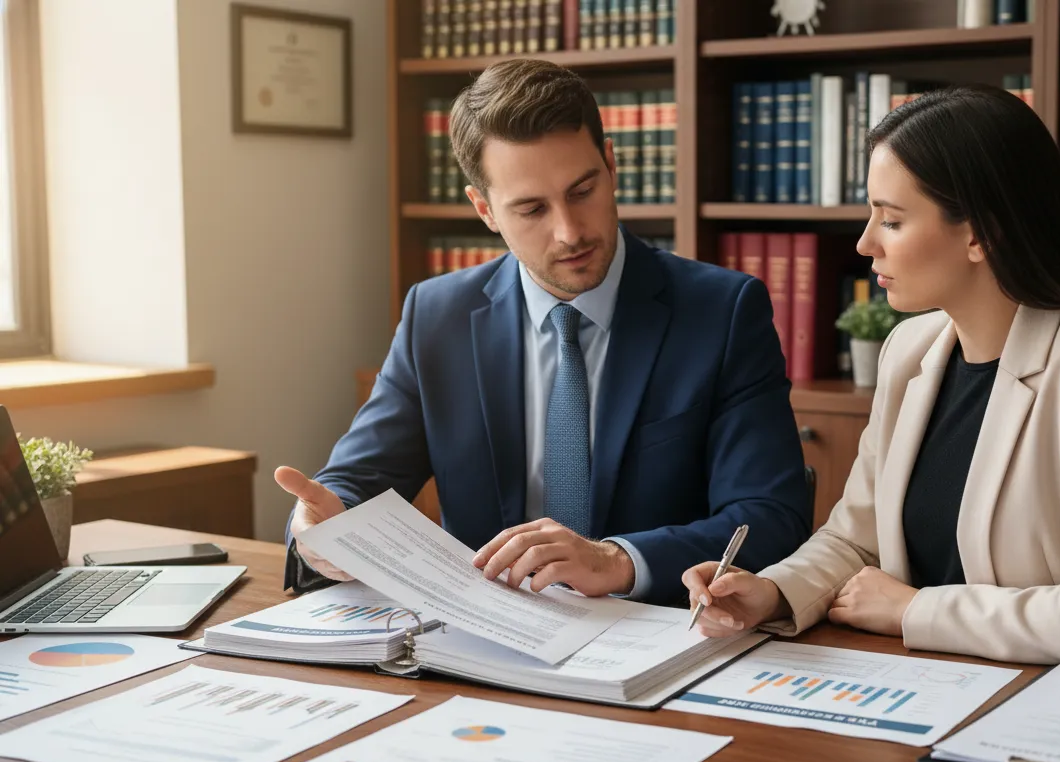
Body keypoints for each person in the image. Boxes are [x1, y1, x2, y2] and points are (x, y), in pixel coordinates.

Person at [683, 83, 1060, 672]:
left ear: (980, 233)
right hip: (934, 686)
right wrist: (771, 591)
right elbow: (857, 540)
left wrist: (914, 611)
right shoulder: (909, 350)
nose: (865, 242)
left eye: (891, 220)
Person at [277, 59, 812, 605]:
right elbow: (353, 484)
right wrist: (323, 534)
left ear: (610, 164)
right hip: (488, 641)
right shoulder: (436, 316)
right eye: (531, 209)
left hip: (655, 634)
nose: (570, 231)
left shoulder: (721, 312)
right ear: (485, 209)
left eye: (582, 191)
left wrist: (619, 560)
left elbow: (770, 516)